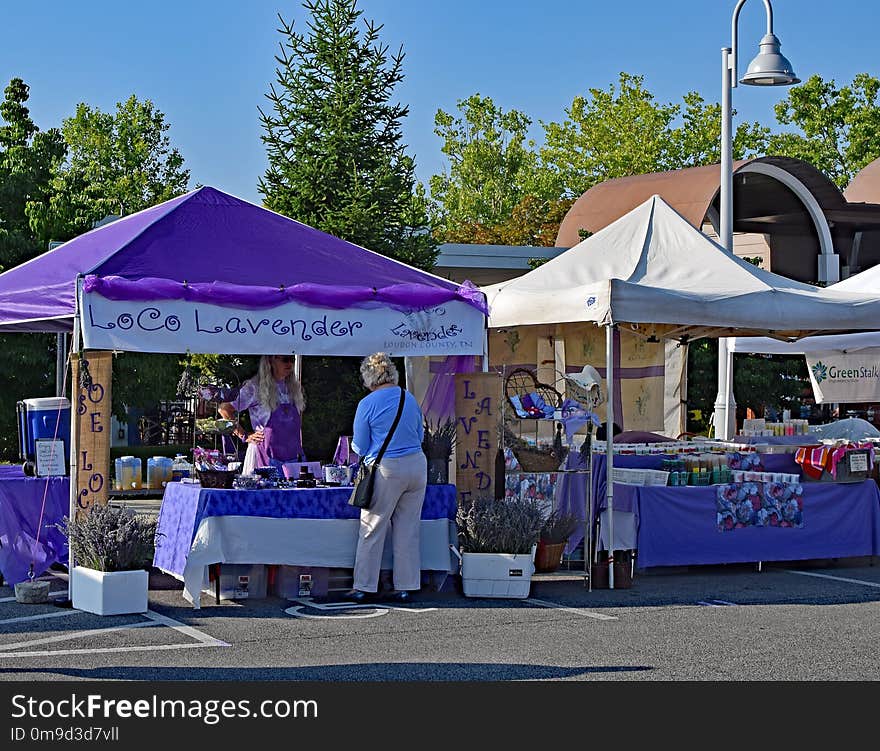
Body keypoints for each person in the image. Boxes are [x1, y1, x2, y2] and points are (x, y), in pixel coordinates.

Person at [346, 352, 426, 604]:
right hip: (416, 466)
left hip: (386, 469)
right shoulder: (409, 398)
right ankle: (406, 586)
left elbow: (359, 445)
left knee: (372, 528)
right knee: (408, 530)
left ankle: (364, 586)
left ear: (370, 378)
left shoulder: (367, 403)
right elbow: (420, 435)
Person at [218, 355, 306, 475]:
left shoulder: (293, 388)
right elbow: (224, 409)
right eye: (285, 359)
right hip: (263, 456)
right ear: (271, 360)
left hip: (291, 458)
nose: (290, 364)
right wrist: (244, 435)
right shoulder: (254, 387)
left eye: (292, 360)